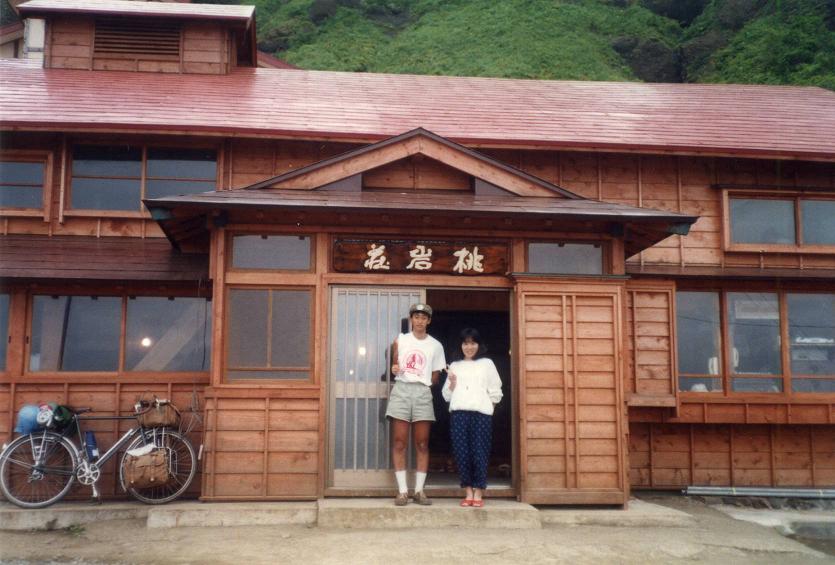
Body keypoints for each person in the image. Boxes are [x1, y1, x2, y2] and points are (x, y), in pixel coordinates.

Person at [386, 303, 446, 506]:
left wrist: (423, 381)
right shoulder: (400, 340)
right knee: (399, 442)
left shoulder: (436, 345)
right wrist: (396, 369)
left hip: (422, 392)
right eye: (416, 317)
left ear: (429, 321)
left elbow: (436, 375)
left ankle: (419, 491)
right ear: (411, 319)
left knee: (422, 443)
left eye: (424, 317)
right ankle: (402, 491)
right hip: (402, 390)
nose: (420, 321)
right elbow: (394, 366)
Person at [442, 328, 503, 508]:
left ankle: (478, 491)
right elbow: (446, 395)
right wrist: (452, 382)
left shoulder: (487, 363)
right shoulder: (454, 365)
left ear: (479, 345)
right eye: (465, 343)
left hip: (481, 414)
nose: (469, 347)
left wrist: (489, 408)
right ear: (460, 345)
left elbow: (495, 390)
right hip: (459, 413)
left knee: (479, 452)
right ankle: (468, 490)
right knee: (462, 453)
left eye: (473, 343)